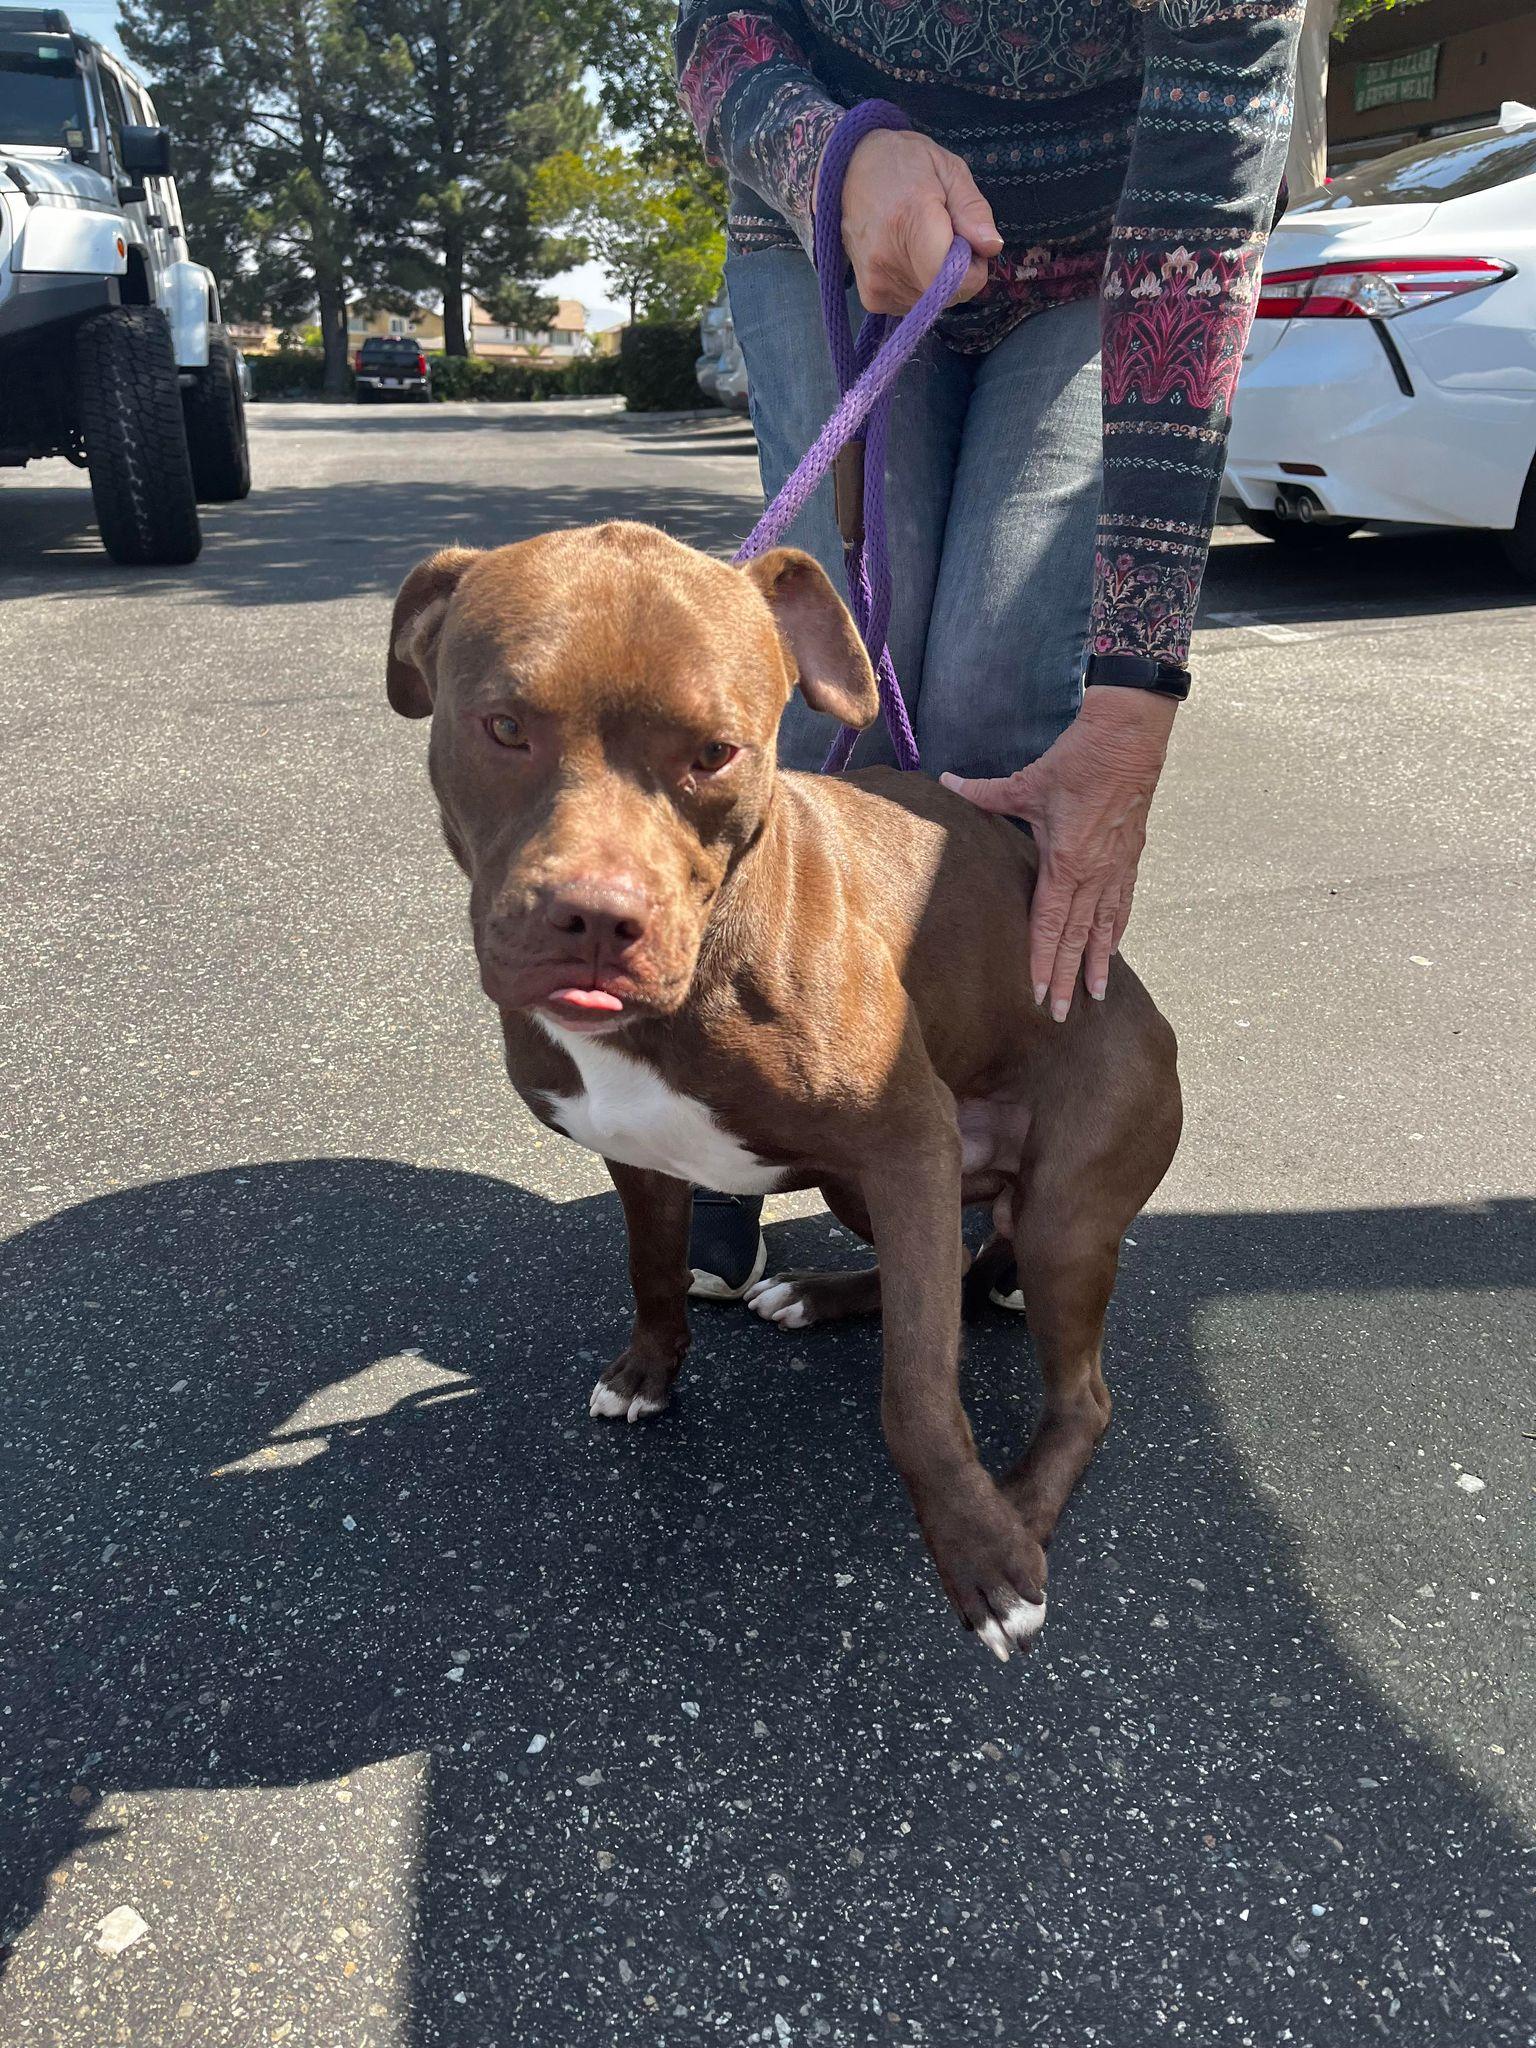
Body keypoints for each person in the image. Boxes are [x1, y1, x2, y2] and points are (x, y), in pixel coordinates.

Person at [675, 0, 1304, 1297]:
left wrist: (1133, 700)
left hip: (1100, 263)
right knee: (842, 672)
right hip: (819, 225)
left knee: (988, 707)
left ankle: (954, 1162)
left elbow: (1203, 208)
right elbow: (712, 29)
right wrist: (832, 159)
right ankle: (723, 1099)